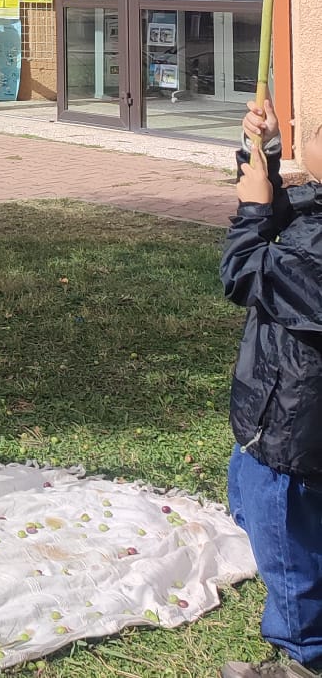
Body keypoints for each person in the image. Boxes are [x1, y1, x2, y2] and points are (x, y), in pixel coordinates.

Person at [221, 98, 322, 678]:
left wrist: (255, 214)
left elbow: (245, 270)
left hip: (291, 433)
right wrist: (268, 153)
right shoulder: (316, 212)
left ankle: (301, 661)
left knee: (288, 554)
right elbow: (288, 208)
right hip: (288, 423)